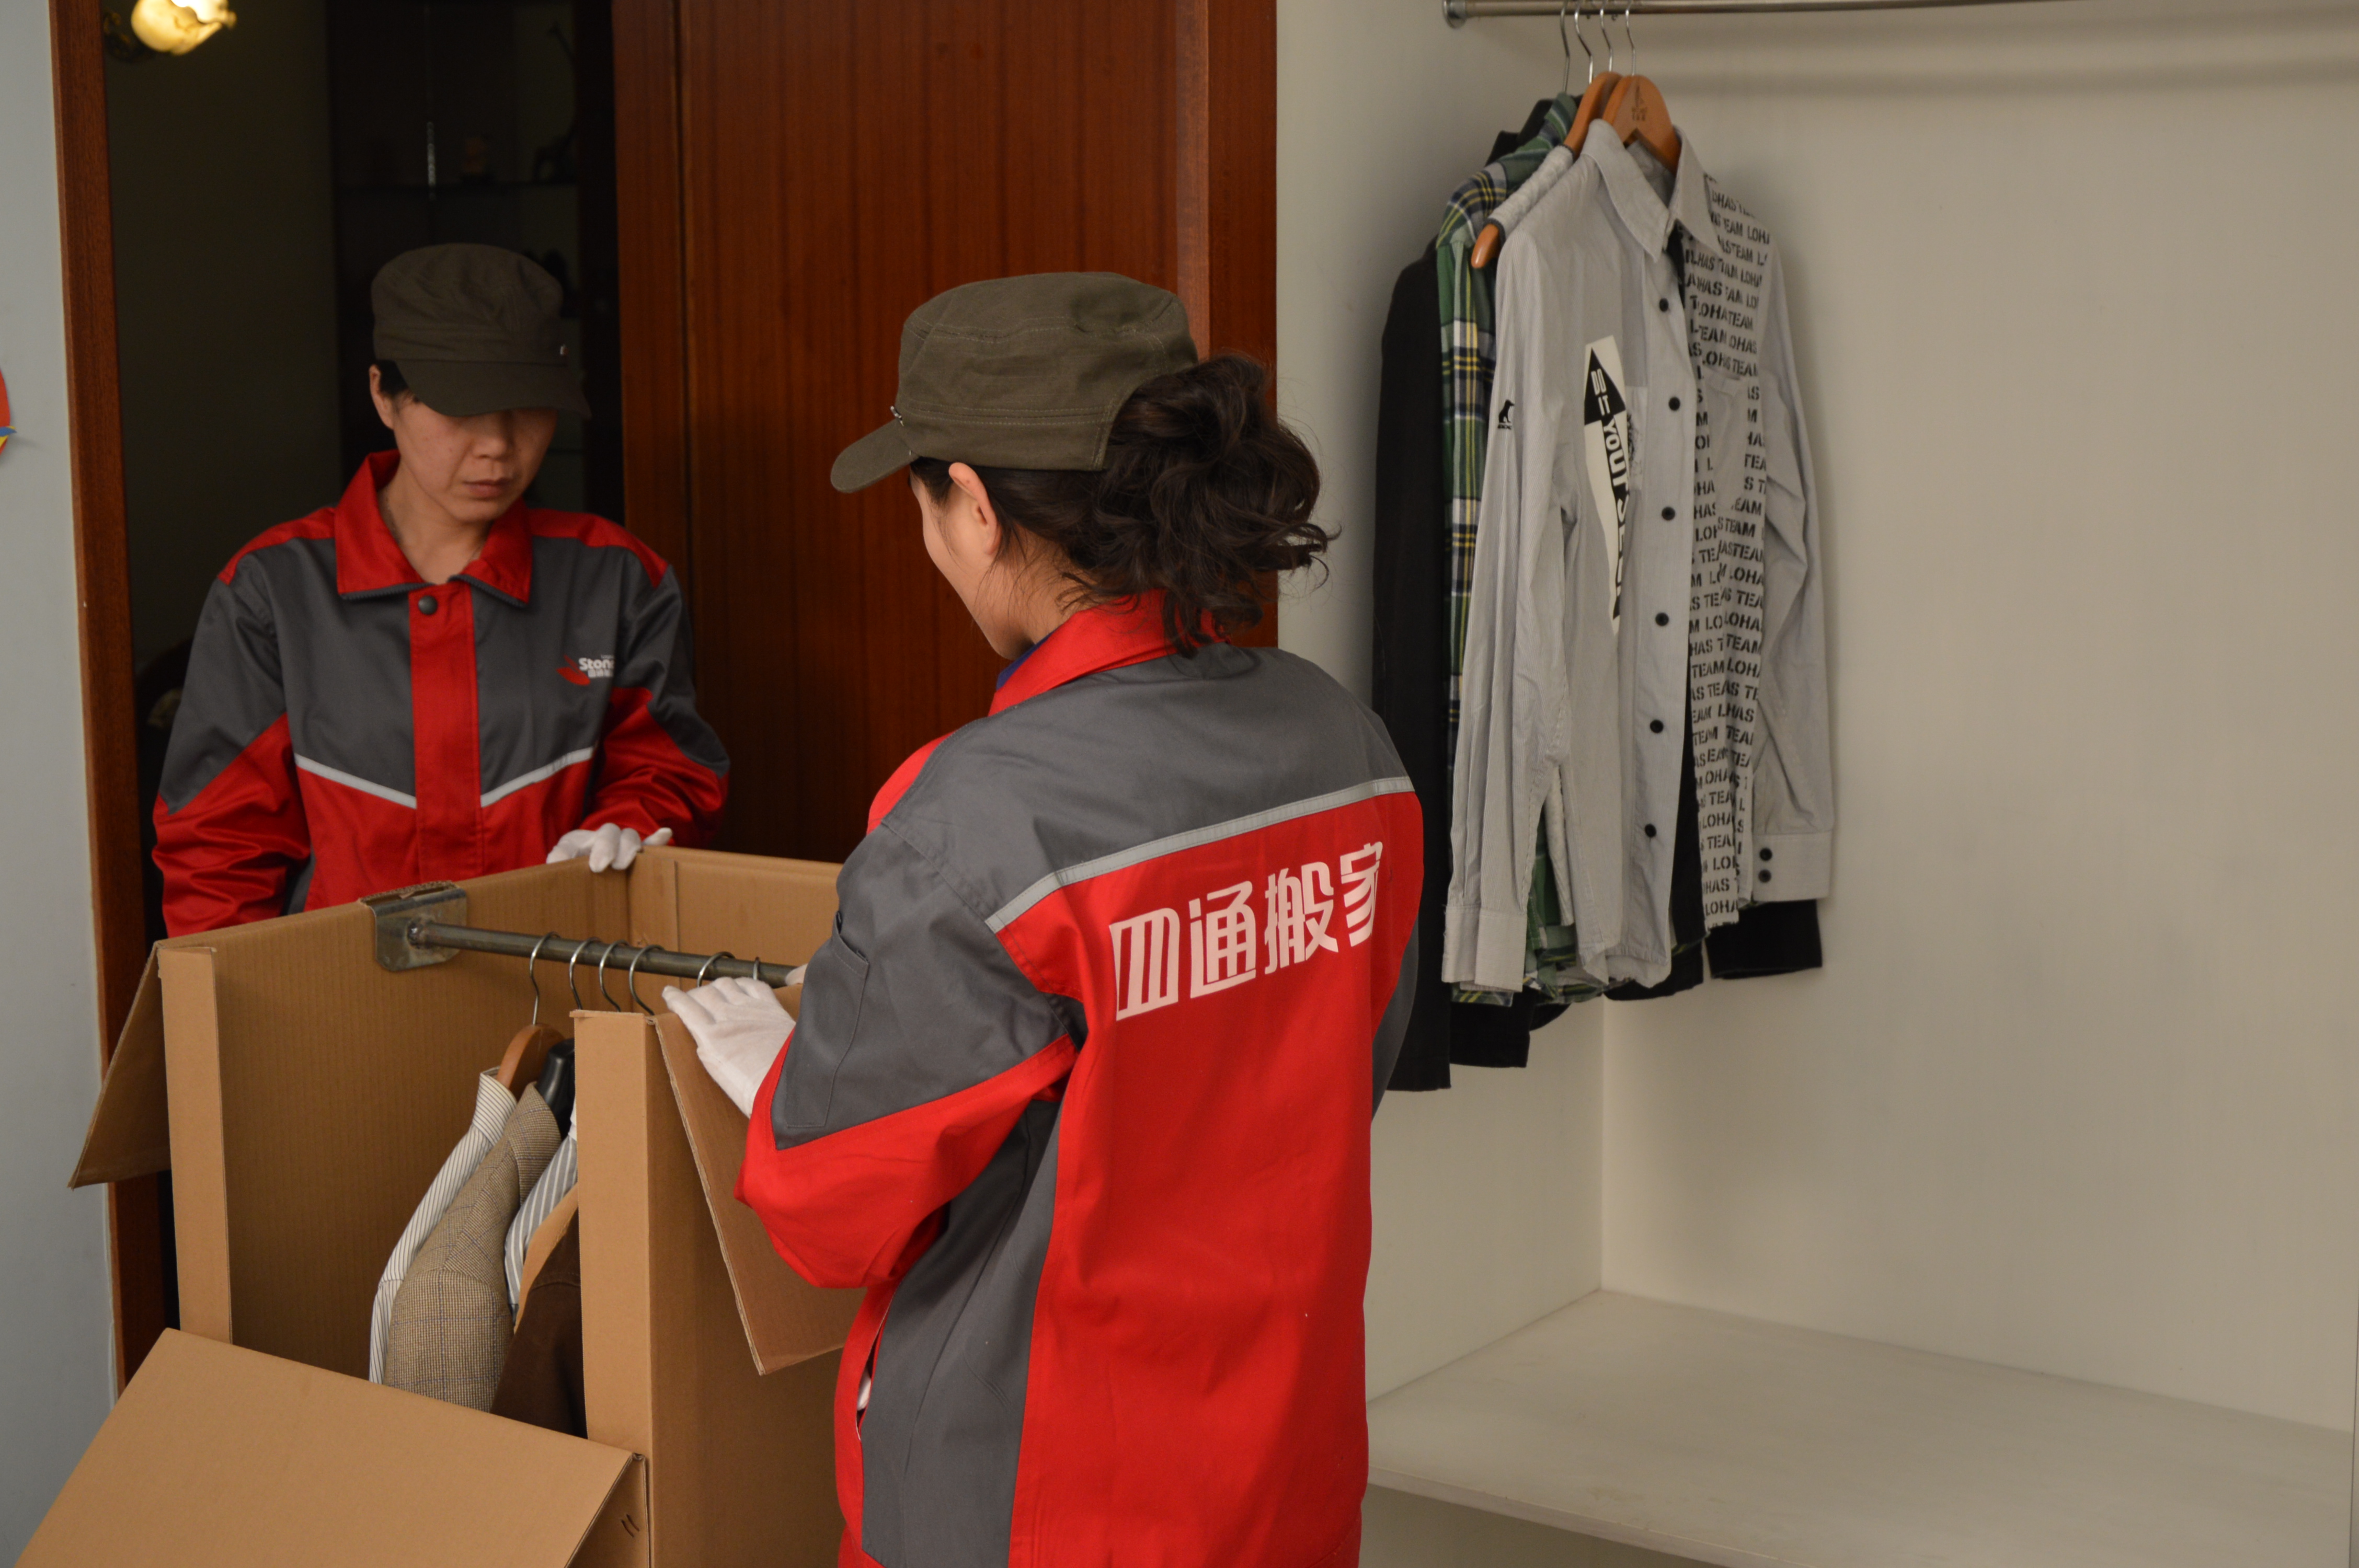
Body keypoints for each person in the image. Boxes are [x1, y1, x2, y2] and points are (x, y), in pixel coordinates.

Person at [663, 273, 1420, 1568]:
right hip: (1282, 1477)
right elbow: (1338, 1074)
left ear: (972, 504)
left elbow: (826, 1215)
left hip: (1033, 1504)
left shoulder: (973, 826)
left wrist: (794, 1081)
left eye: (921, 504)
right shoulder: (1345, 747)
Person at [154, 244, 727, 934]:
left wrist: (627, 828)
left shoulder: (618, 579)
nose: (497, 446)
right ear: (382, 395)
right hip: (339, 983)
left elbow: (668, 773)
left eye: (527, 406)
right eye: (459, 408)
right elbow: (219, 846)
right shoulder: (274, 590)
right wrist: (228, 995)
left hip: (556, 970)